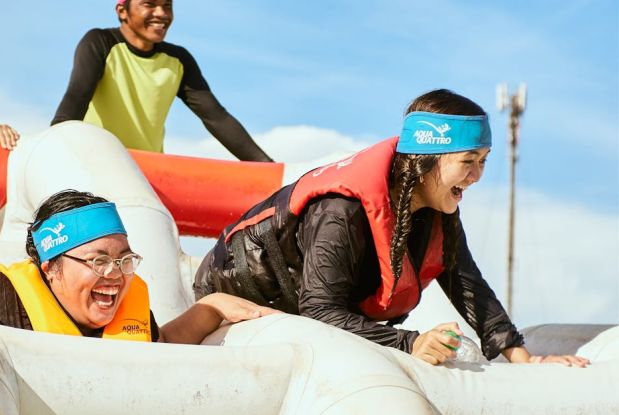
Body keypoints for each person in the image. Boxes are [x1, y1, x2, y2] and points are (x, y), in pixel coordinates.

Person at [194, 89, 591, 367]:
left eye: (484, 161)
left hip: (311, 304)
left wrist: (526, 360)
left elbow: (469, 286)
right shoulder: (342, 210)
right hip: (235, 296)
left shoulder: (437, 212)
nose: (477, 176)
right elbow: (318, 309)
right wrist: (411, 342)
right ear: (426, 159)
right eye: (469, 160)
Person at [0, 189, 278, 343]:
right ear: (51, 268)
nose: (115, 274)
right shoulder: (3, 292)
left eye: (123, 259)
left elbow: (161, 350)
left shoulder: (128, 303)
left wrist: (213, 308)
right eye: (98, 260)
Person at [51, 0, 272, 162]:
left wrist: (268, 168)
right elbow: (76, 98)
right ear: (122, 10)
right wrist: (52, 148)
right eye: (149, 4)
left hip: (147, 172)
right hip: (96, 162)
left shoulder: (177, 60)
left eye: (167, 6)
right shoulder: (100, 42)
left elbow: (217, 118)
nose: (161, 13)